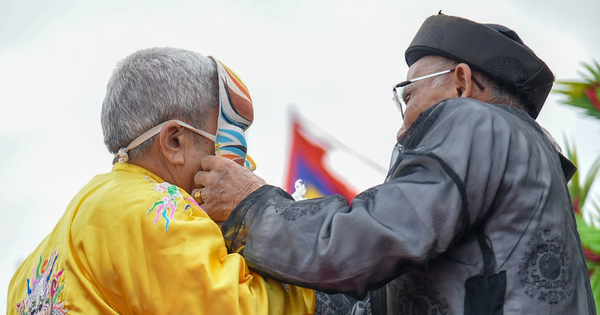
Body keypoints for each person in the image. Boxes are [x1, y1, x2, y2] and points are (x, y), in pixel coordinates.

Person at [193, 13, 597, 314]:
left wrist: (254, 206)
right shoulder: (520, 154)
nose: (402, 131)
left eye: (408, 98)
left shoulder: (476, 120)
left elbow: (374, 238)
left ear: (460, 82)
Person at [6, 47, 316, 314]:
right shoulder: (153, 210)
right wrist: (321, 276)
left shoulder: (29, 269)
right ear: (174, 142)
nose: (245, 167)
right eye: (231, 142)